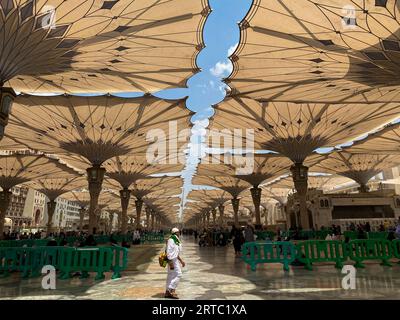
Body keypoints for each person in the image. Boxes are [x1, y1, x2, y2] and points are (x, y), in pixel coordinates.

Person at [165, 228, 185, 299]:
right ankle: (172, 290)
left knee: (170, 275)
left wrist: (181, 260)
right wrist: (170, 262)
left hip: (174, 259)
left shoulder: (175, 240)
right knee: (179, 274)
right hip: (172, 260)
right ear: (175, 233)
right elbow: (168, 251)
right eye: (178, 232)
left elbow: (175, 252)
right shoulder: (171, 240)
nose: (179, 234)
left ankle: (167, 292)